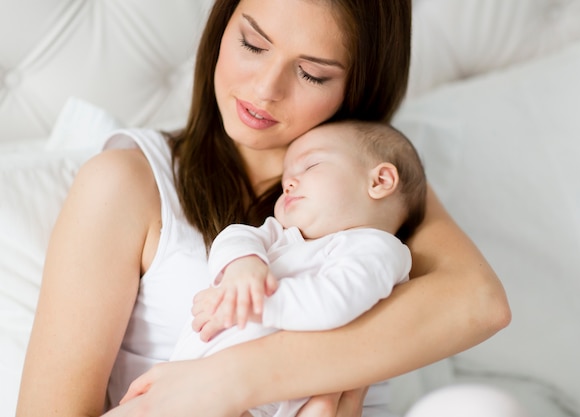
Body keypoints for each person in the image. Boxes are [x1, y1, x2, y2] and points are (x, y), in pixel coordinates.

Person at [16, 1, 512, 417]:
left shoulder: (370, 185)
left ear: (357, 85)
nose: (264, 89)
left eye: (312, 74)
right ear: (222, 26)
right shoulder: (128, 181)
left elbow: (479, 303)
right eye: (253, 44)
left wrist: (231, 380)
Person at [156, 120, 427, 417]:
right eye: (286, 177)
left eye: (309, 166)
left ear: (380, 181)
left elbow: (333, 302)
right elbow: (236, 235)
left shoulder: (379, 250)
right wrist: (241, 266)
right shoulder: (285, 236)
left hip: (268, 399)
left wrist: (247, 303)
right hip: (193, 380)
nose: (288, 183)